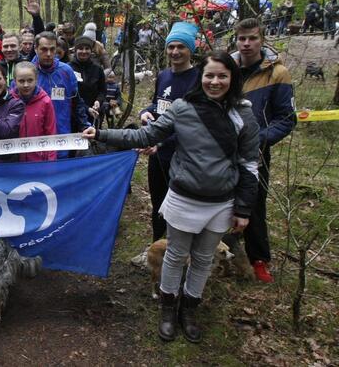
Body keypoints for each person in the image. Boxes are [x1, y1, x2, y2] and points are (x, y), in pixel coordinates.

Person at [83, 51, 260, 344]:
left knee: (203, 260)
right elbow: (145, 136)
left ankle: (189, 310)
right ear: (200, 77)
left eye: (222, 76)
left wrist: (243, 207)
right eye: (209, 75)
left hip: (221, 202)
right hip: (183, 197)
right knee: (176, 255)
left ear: (233, 78)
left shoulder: (243, 114)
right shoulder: (182, 108)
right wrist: (101, 134)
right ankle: (168, 309)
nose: (215, 82)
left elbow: (249, 164)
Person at [230, 18, 296, 283]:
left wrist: (260, 139)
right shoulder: (228, 66)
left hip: (256, 151)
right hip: (223, 149)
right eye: (242, 38)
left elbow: (287, 118)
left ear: (262, 39)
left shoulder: (277, 73)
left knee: (254, 204)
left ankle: (259, 259)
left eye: (253, 38)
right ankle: (222, 252)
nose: (247, 44)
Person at [130, 22, 200, 265]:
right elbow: (159, 106)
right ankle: (155, 249)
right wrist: (144, 112)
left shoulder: (199, 79)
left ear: (191, 49)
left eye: (181, 47)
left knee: (178, 208)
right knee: (158, 204)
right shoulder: (164, 75)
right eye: (171, 47)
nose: (175, 52)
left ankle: (179, 254)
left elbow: (194, 123)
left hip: (183, 157)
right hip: (157, 154)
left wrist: (161, 142)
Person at [30, 31, 90, 152]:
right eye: (44, 49)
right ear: (36, 49)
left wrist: (84, 125)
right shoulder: (27, 72)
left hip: (61, 135)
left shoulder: (66, 71)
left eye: (52, 49)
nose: (49, 54)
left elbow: (77, 101)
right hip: (33, 139)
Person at [11, 62, 56, 162]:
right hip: (15, 161)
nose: (26, 85)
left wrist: (51, 160)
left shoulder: (46, 102)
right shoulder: (9, 101)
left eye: (30, 80)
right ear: (15, 81)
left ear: (36, 79)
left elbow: (50, 133)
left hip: (39, 160)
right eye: (21, 81)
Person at [68, 36, 107, 125]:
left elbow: (103, 90)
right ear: (75, 50)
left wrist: (98, 101)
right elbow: (69, 94)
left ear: (91, 50)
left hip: (94, 113)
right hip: (72, 114)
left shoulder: (97, 69)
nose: (84, 51)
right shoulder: (68, 68)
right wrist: (86, 108)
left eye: (87, 49)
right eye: (80, 49)